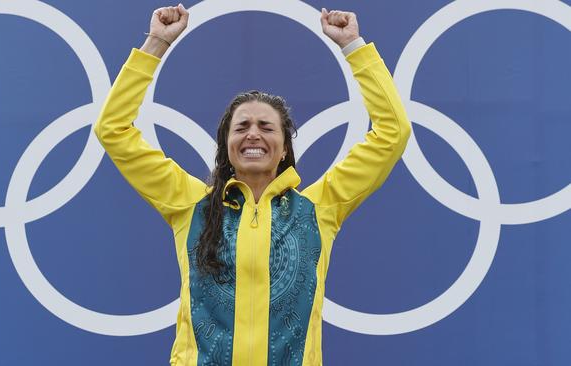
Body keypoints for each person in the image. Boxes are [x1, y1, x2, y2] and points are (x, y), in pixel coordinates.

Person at [94, 3, 411, 365]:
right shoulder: (189, 203)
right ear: (226, 146)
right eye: (241, 127)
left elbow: (392, 132)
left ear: (285, 148)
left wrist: (353, 47)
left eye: (266, 127)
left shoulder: (320, 208)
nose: (253, 135)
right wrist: (156, 44)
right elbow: (113, 130)